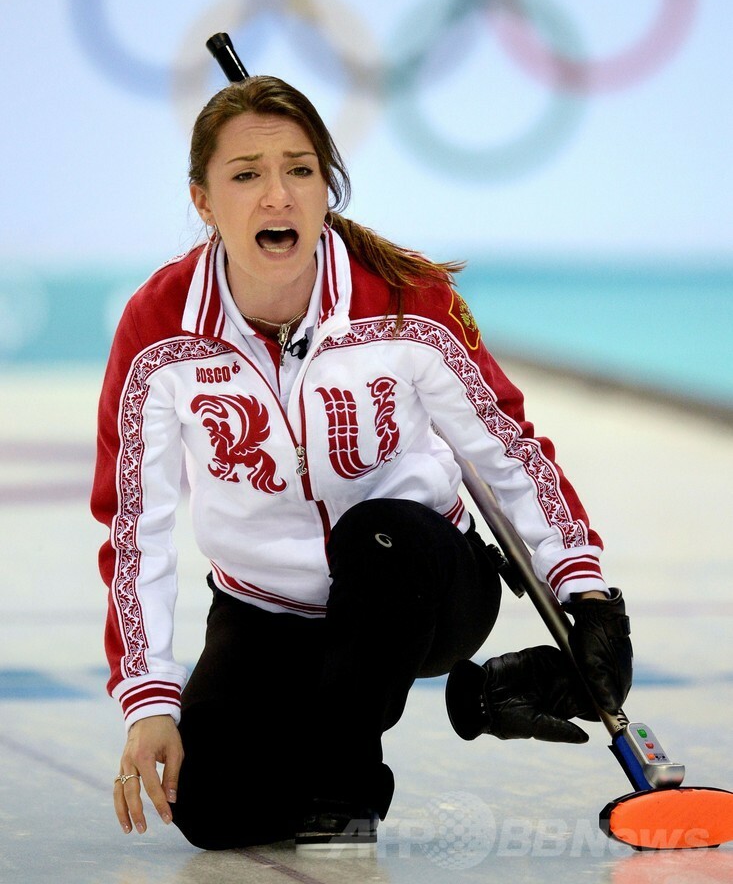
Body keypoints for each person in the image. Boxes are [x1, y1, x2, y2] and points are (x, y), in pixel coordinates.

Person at [92, 75, 632, 852]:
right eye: (246, 174)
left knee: (373, 531)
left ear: (326, 189)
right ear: (203, 201)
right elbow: (133, 519)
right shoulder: (160, 328)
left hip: (421, 583)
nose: (276, 195)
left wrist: (586, 593)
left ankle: (348, 779)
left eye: (299, 169)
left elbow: (504, 447)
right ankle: (483, 695)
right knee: (215, 812)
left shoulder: (406, 301)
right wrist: (150, 701)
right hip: (270, 610)